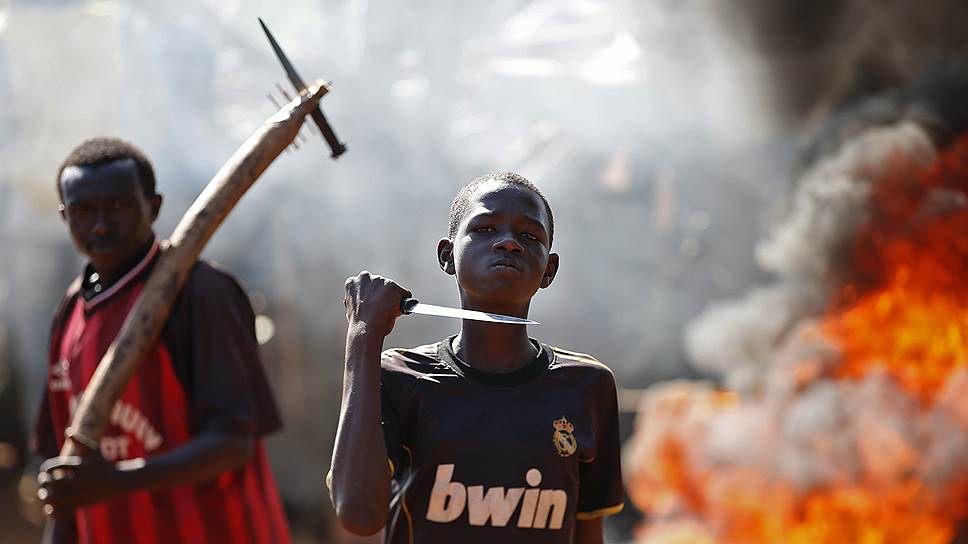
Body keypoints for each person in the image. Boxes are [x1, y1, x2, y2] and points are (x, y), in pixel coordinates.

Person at [330, 172, 624, 543]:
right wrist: (362, 336)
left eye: (529, 236)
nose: (509, 243)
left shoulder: (588, 385)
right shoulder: (400, 377)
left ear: (549, 270)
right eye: (484, 229)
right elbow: (359, 515)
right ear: (447, 255)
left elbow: (587, 533)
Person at [32, 137, 291, 543]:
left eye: (118, 206)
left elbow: (233, 442)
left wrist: (118, 480)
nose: (101, 224)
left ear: (153, 206)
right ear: (65, 216)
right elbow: (67, 473)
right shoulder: (69, 312)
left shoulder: (201, 293)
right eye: (84, 211)